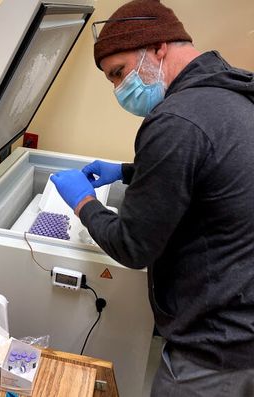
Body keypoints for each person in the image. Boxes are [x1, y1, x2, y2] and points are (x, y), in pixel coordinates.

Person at [50, 0, 254, 395]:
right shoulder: (230, 87)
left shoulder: (177, 120)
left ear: (159, 46)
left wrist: (83, 203)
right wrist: (129, 172)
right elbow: (209, 173)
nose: (119, 90)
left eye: (119, 73)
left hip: (217, 346)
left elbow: (132, 246)